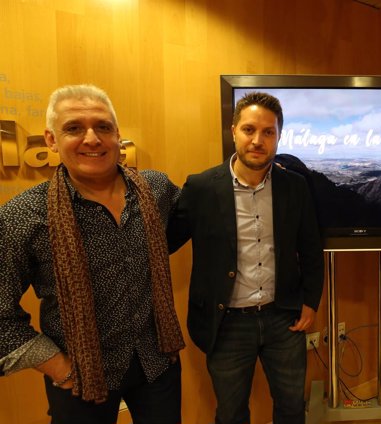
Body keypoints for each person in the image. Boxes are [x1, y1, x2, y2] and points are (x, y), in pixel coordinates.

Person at [0, 84, 185, 424]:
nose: (91, 138)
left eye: (103, 127)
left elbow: (183, 230)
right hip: (79, 377)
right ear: (52, 140)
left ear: (117, 135)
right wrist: (59, 367)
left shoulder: (157, 189)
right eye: (73, 128)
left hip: (157, 363)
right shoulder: (23, 216)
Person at [167, 91, 324, 424]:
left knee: (293, 405)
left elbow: (310, 246)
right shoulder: (202, 188)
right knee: (231, 411)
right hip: (226, 323)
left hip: (283, 318)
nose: (258, 140)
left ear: (279, 136)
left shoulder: (295, 186)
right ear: (234, 130)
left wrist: (311, 301)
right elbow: (165, 241)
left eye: (269, 132)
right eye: (250, 129)